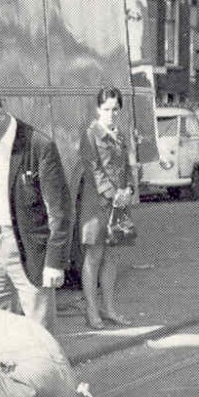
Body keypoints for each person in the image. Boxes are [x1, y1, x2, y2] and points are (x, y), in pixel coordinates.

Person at [0, 88, 70, 331]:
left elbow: (58, 211)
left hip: (27, 249)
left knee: (40, 333)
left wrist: (54, 262)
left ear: (0, 114)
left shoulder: (38, 145)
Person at [78, 86, 135, 329]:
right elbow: (93, 170)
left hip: (119, 204)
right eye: (107, 109)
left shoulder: (119, 134)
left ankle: (109, 308)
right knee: (94, 257)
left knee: (112, 258)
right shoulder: (90, 134)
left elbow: (127, 167)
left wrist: (129, 189)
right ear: (98, 109)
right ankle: (92, 311)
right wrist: (114, 195)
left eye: (115, 109)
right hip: (97, 206)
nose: (111, 114)